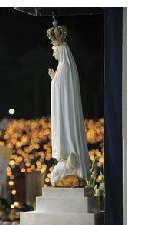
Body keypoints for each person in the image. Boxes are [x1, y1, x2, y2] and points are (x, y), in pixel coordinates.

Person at [47, 23, 90, 185]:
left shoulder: (64, 67)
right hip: (65, 110)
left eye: (54, 50)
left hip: (66, 112)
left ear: (61, 50)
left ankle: (70, 162)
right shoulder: (65, 66)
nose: (53, 53)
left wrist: (54, 80)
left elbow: (63, 89)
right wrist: (55, 79)